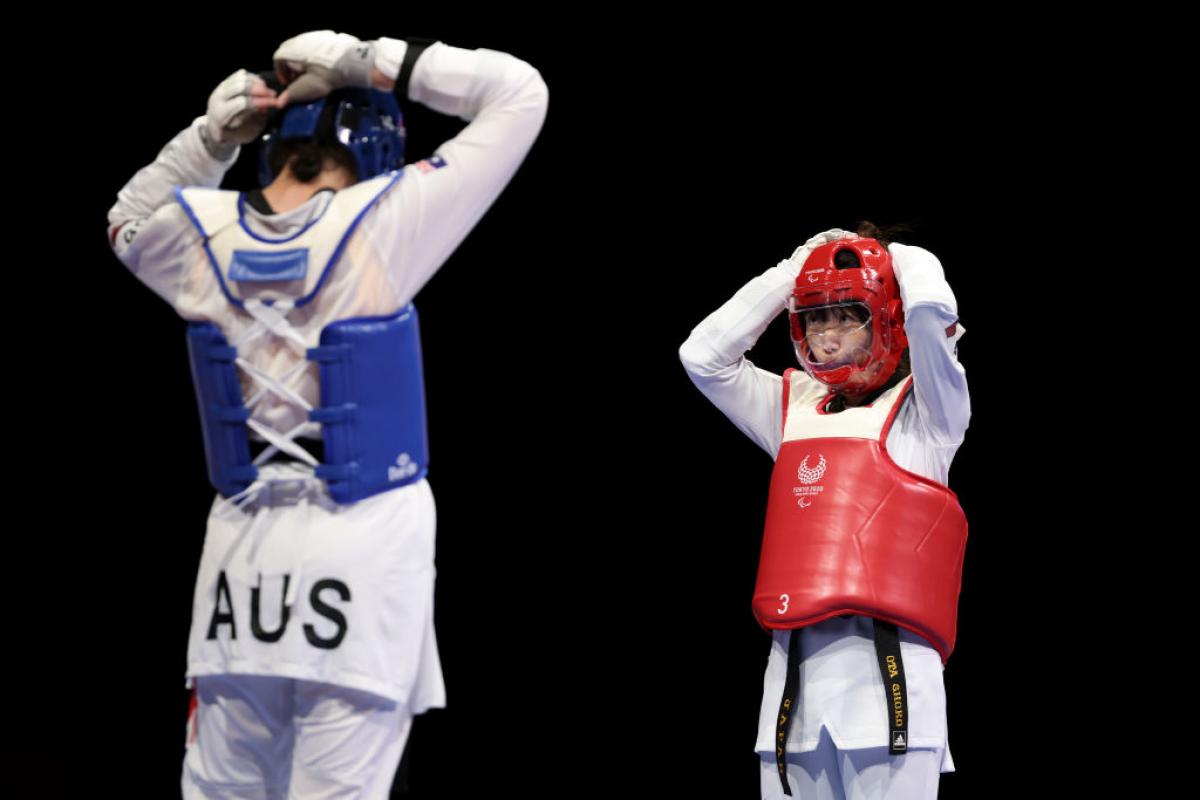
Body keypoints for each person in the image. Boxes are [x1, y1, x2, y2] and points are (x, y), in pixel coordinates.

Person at [106, 29, 548, 798]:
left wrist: (210, 139)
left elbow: (126, 223)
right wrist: (372, 58)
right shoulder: (380, 221)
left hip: (239, 572)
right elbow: (519, 93)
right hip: (361, 557)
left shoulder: (194, 230)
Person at [678, 225, 969, 799]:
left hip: (892, 696)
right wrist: (792, 271)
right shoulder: (792, 407)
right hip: (791, 698)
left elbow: (931, 310)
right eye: (815, 318)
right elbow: (703, 356)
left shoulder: (930, 412)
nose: (828, 336)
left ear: (885, 316)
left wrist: (900, 259)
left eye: (847, 316)